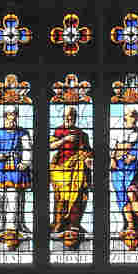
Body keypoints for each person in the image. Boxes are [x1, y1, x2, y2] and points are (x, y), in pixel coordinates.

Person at [49, 105, 93, 246]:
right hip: (61, 169)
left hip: (78, 169)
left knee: (78, 195)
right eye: (66, 116)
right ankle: (60, 223)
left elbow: (88, 151)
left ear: (75, 118)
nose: (69, 118)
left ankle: (74, 224)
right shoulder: (58, 131)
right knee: (61, 197)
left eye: (71, 116)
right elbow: (50, 146)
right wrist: (64, 139)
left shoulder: (82, 134)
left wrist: (88, 158)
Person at [0, 107, 32, 248]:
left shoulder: (23, 133)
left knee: (14, 197)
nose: (11, 118)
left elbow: (27, 149)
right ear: (5, 117)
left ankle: (12, 227)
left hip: (16, 168)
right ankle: (3, 224)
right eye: (8, 116)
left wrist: (25, 162)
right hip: (1, 169)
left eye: (13, 115)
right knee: (0, 197)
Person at [110, 108, 138, 244]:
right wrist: (112, 158)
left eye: (135, 116)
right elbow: (112, 150)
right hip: (118, 170)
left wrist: (134, 157)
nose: (133, 118)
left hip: (134, 170)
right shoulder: (117, 133)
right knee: (123, 199)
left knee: (132, 193)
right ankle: (131, 225)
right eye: (130, 116)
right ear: (124, 118)